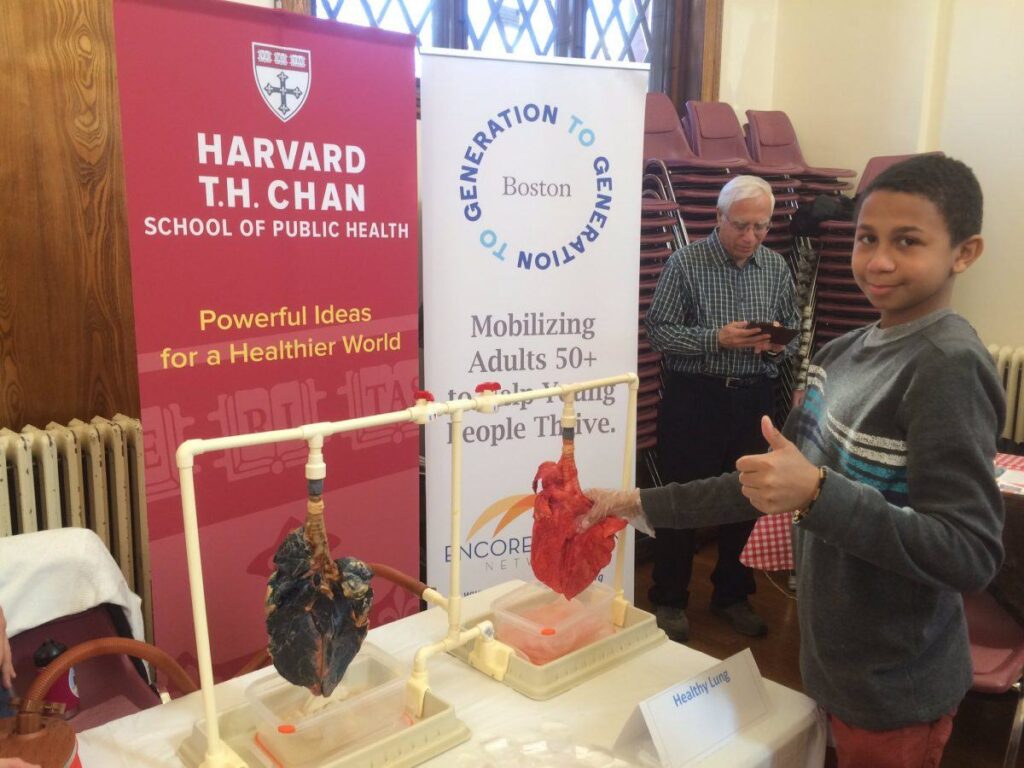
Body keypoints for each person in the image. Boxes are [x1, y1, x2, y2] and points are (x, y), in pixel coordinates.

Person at [585, 155, 1004, 768]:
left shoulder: (947, 365)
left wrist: (818, 494)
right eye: (867, 238)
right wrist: (638, 503)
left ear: (963, 253)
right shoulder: (844, 352)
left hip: (894, 688)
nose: (879, 260)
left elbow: (968, 552)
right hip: (833, 664)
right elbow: (760, 485)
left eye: (907, 242)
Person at [645, 174, 799, 640]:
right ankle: (668, 598)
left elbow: (790, 331)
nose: (751, 237)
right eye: (741, 226)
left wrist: (774, 345)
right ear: (718, 217)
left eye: (761, 227)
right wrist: (716, 337)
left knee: (747, 497)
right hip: (696, 397)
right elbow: (658, 332)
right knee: (680, 499)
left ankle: (732, 594)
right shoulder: (685, 263)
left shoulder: (775, 267)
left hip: (753, 397)